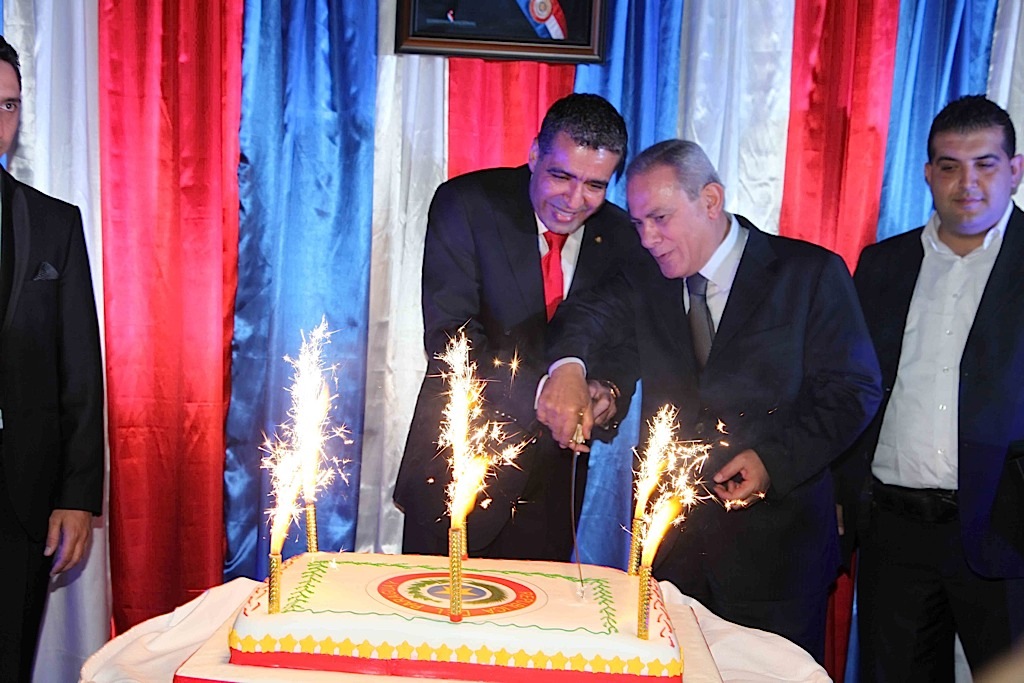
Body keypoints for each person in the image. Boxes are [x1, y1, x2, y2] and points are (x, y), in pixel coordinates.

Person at [536, 139, 882, 662]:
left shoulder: (807, 273)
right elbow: (586, 317)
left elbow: (853, 391)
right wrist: (575, 373)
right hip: (671, 551)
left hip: (778, 557)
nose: (647, 238)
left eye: (660, 219)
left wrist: (773, 462)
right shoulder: (646, 276)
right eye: (638, 223)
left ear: (711, 200)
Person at [393, 93, 642, 561]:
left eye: (594, 185)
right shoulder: (467, 204)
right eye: (561, 176)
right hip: (455, 471)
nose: (574, 201)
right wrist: (552, 390)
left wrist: (605, 391)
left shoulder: (623, 236)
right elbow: (452, 339)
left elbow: (625, 344)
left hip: (552, 492)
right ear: (533, 155)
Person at [834, 95, 1024, 680]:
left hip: (1008, 530)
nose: (968, 183)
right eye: (949, 166)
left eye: (986, 164)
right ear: (927, 174)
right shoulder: (882, 265)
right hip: (894, 531)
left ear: (1015, 170)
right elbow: (852, 387)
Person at [0, 36, 104, 682]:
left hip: (20, 500)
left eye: (8, 104)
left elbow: (81, 371)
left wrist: (77, 495)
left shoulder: (54, 224)